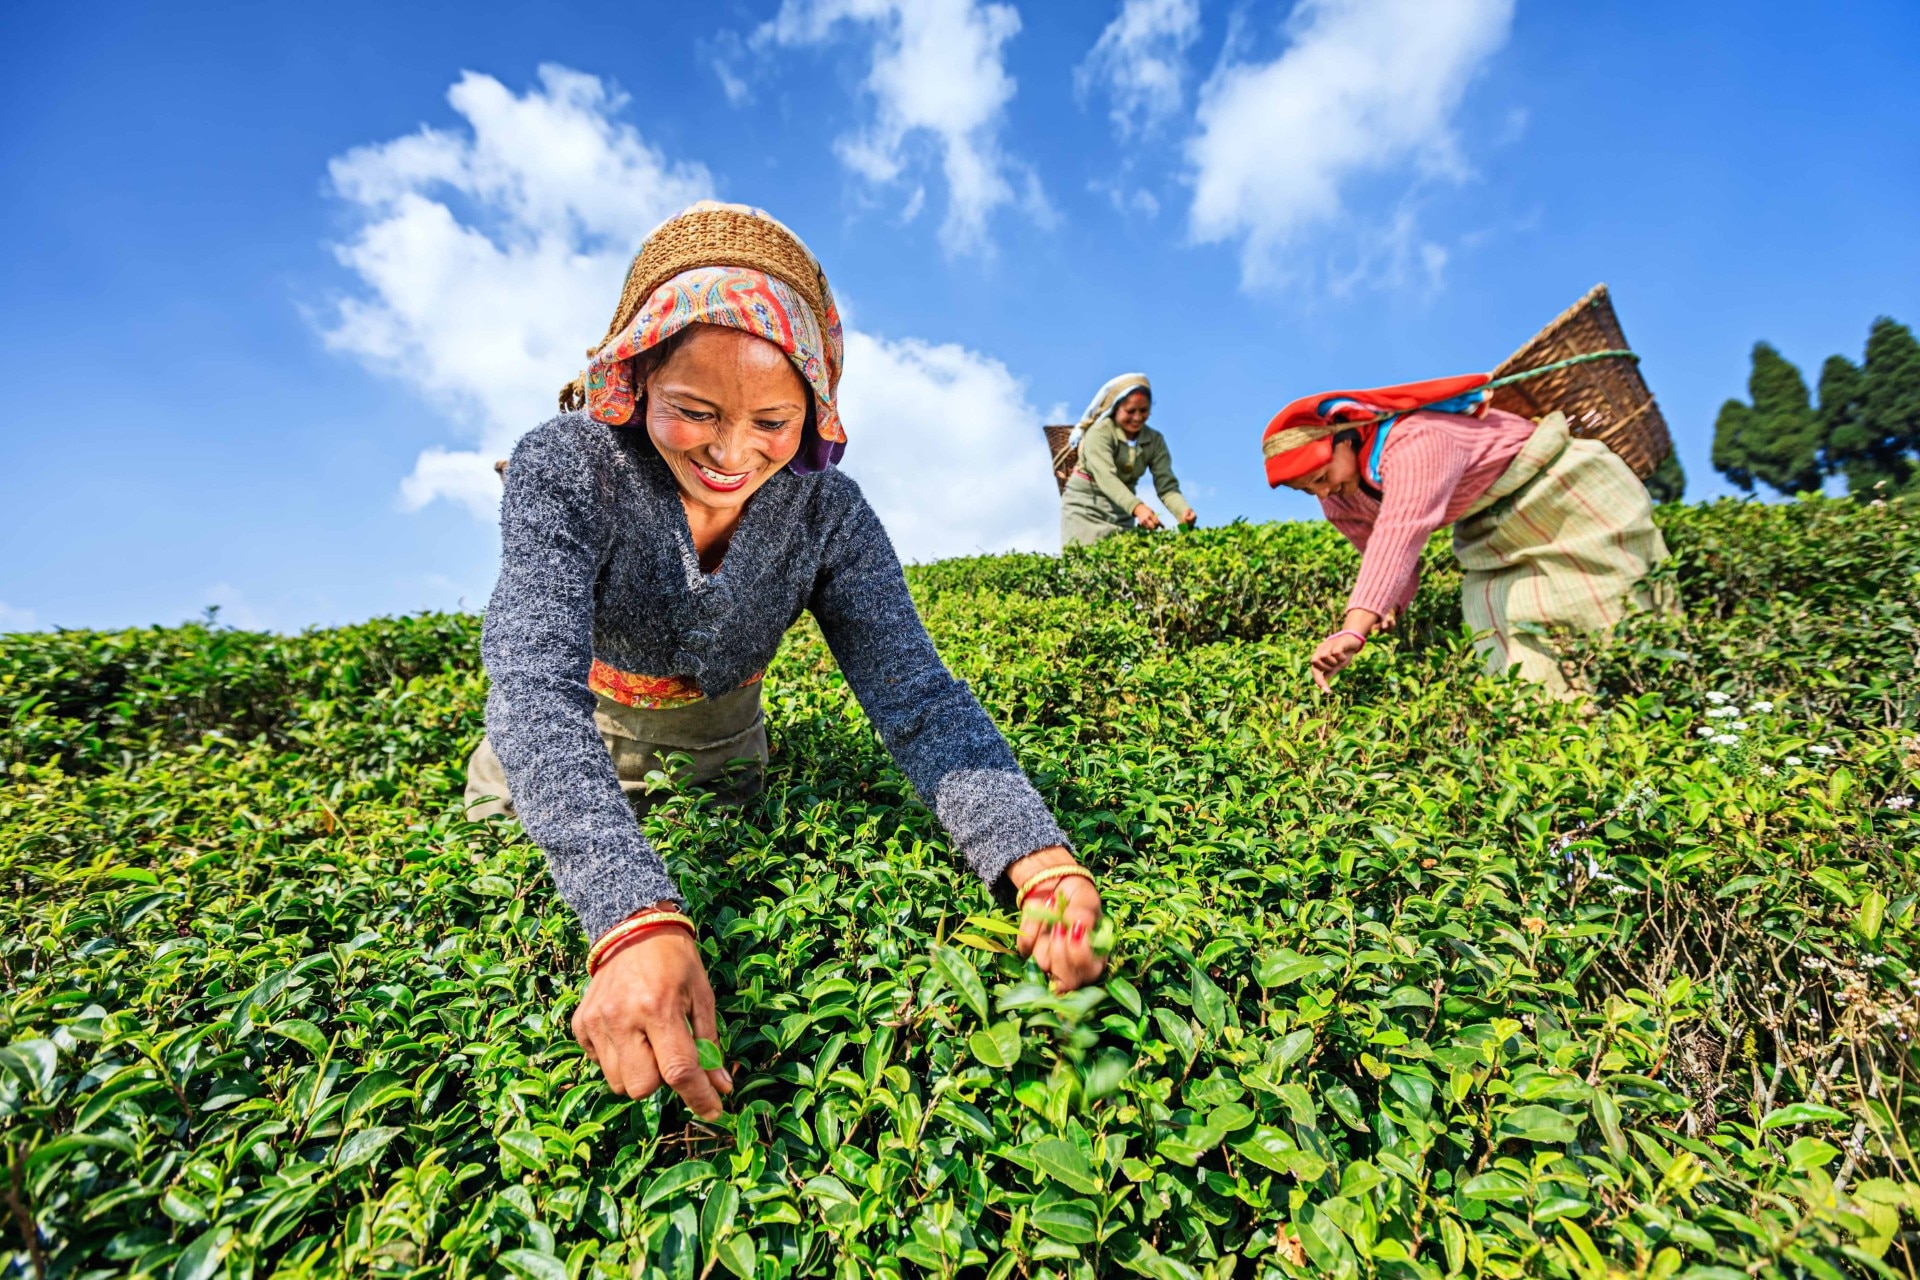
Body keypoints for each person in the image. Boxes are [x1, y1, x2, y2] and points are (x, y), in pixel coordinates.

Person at [466, 201, 1105, 1120]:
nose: (731, 453)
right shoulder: (568, 467)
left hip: (723, 763)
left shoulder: (828, 515)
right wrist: (629, 915)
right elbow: (532, 689)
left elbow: (916, 698)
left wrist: (1035, 860)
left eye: (772, 419)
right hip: (557, 765)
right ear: (638, 375)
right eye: (693, 411)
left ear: (815, 410)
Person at [1260, 375, 1671, 695]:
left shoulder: (1416, 440)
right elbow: (1387, 562)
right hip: (1491, 533)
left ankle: (1663, 699)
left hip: (1563, 494)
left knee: (1619, 604)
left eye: (1321, 476)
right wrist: (1387, 607)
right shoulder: (1340, 500)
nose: (1321, 492)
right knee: (1503, 641)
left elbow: (1401, 532)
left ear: (1345, 437)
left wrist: (1354, 627)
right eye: (1306, 490)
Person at [1059, 373, 1197, 547]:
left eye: (1144, 411)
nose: (1137, 417)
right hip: (1086, 507)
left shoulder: (1154, 440)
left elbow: (1166, 485)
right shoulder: (1100, 433)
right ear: (1116, 408)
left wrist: (1182, 511)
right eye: (1130, 411)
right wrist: (1138, 508)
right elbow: (1106, 477)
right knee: (1082, 566)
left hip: (1122, 511)